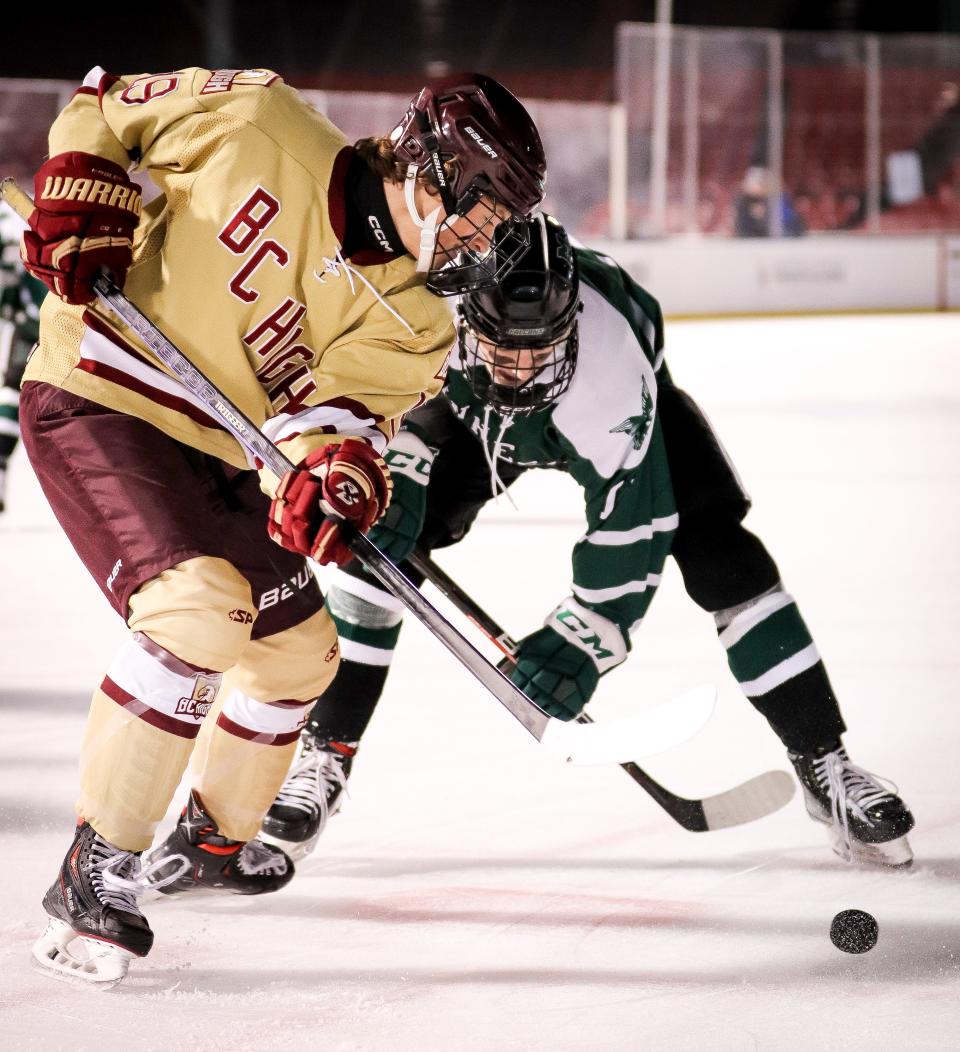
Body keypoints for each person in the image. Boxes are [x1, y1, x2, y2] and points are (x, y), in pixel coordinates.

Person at [18, 65, 545, 986]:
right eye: (483, 213)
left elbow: (332, 418)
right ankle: (95, 869)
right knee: (196, 610)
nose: (486, 240)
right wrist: (86, 192)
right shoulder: (258, 117)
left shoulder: (421, 315)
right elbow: (100, 107)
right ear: (430, 173)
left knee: (301, 650)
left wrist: (334, 475)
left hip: (218, 449)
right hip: (101, 389)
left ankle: (211, 840)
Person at [261, 214, 914, 871]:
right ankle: (325, 755)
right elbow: (372, 399)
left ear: (569, 322)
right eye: (500, 347)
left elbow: (632, 523)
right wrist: (390, 468)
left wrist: (586, 636)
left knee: (725, 558)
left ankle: (826, 766)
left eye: (538, 347)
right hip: (460, 412)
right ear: (469, 317)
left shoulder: (613, 377)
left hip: (605, 412)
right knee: (376, 550)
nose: (519, 370)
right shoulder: (426, 309)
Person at [0, 203, 45, 512]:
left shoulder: (12, 221)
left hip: (46, 323)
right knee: (13, 390)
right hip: (33, 323)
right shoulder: (12, 221)